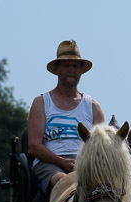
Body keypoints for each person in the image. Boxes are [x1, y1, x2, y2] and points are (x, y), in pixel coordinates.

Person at [28, 40, 104, 192]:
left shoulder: (93, 106)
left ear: (81, 71)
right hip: (50, 163)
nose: (71, 70)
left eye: (75, 66)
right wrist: (62, 162)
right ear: (57, 69)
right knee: (63, 181)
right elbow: (34, 147)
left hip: (85, 163)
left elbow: (101, 147)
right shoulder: (41, 103)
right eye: (66, 65)